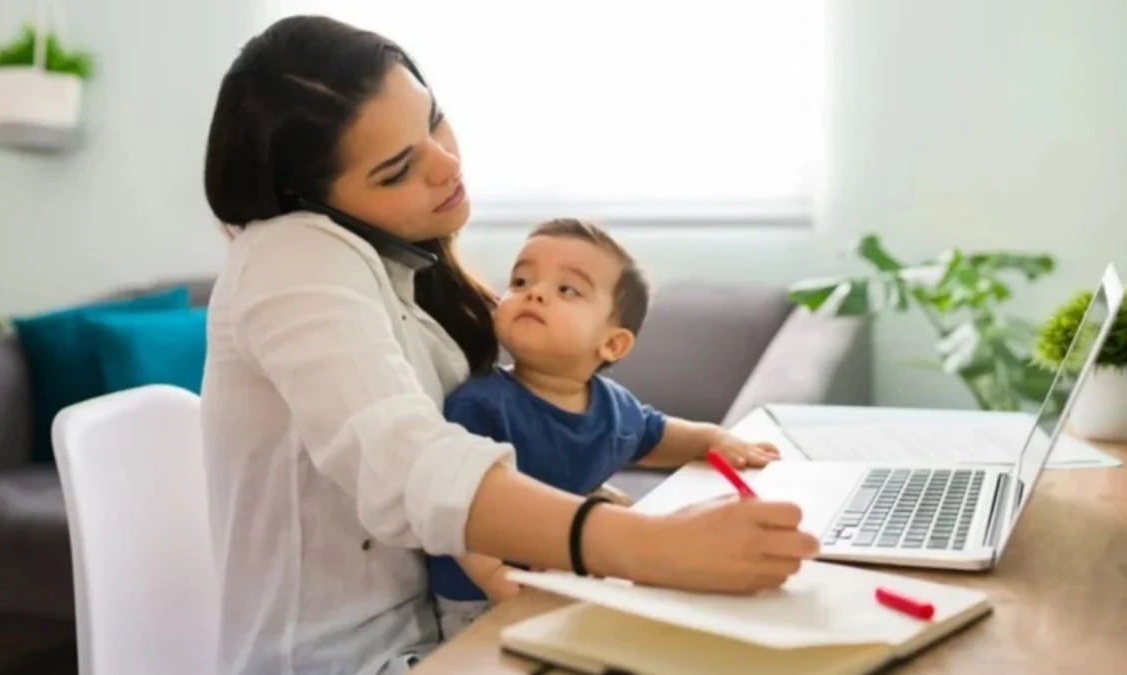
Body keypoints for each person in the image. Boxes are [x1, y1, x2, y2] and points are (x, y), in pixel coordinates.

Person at [199, 14, 820, 675]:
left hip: (458, 634)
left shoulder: (404, 274)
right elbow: (406, 462)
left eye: (434, 120)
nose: (446, 163)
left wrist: (599, 511)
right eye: (399, 169)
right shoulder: (289, 253)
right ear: (306, 200)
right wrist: (647, 544)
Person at [427, 217, 782, 638]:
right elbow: (463, 504)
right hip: (480, 594)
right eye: (521, 281)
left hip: (571, 572)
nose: (534, 293)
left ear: (612, 344)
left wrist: (713, 439)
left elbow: (657, 435)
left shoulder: (613, 407)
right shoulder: (479, 404)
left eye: (567, 290)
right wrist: (493, 576)